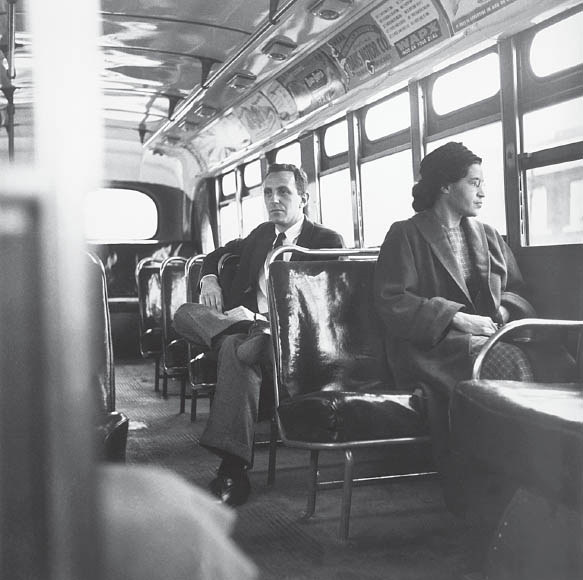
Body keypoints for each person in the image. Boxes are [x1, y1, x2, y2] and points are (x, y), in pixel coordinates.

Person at [373, 142, 538, 504]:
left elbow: (517, 290)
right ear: (446, 186)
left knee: (555, 360)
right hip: (429, 347)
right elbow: (392, 301)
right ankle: (502, 482)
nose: (483, 191)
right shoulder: (406, 233)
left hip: (489, 337)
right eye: (474, 182)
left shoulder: (488, 234)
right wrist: (458, 319)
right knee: (506, 362)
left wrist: (503, 314)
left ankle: (524, 478)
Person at [174, 163, 344, 506]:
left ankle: (232, 469)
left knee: (238, 351)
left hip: (289, 340)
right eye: (268, 192)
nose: (274, 199)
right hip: (252, 335)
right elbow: (217, 254)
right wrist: (209, 278)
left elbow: (319, 311)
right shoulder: (261, 235)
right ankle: (241, 331)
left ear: (304, 198)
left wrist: (262, 318)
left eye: (283, 192)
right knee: (186, 315)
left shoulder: (325, 241)